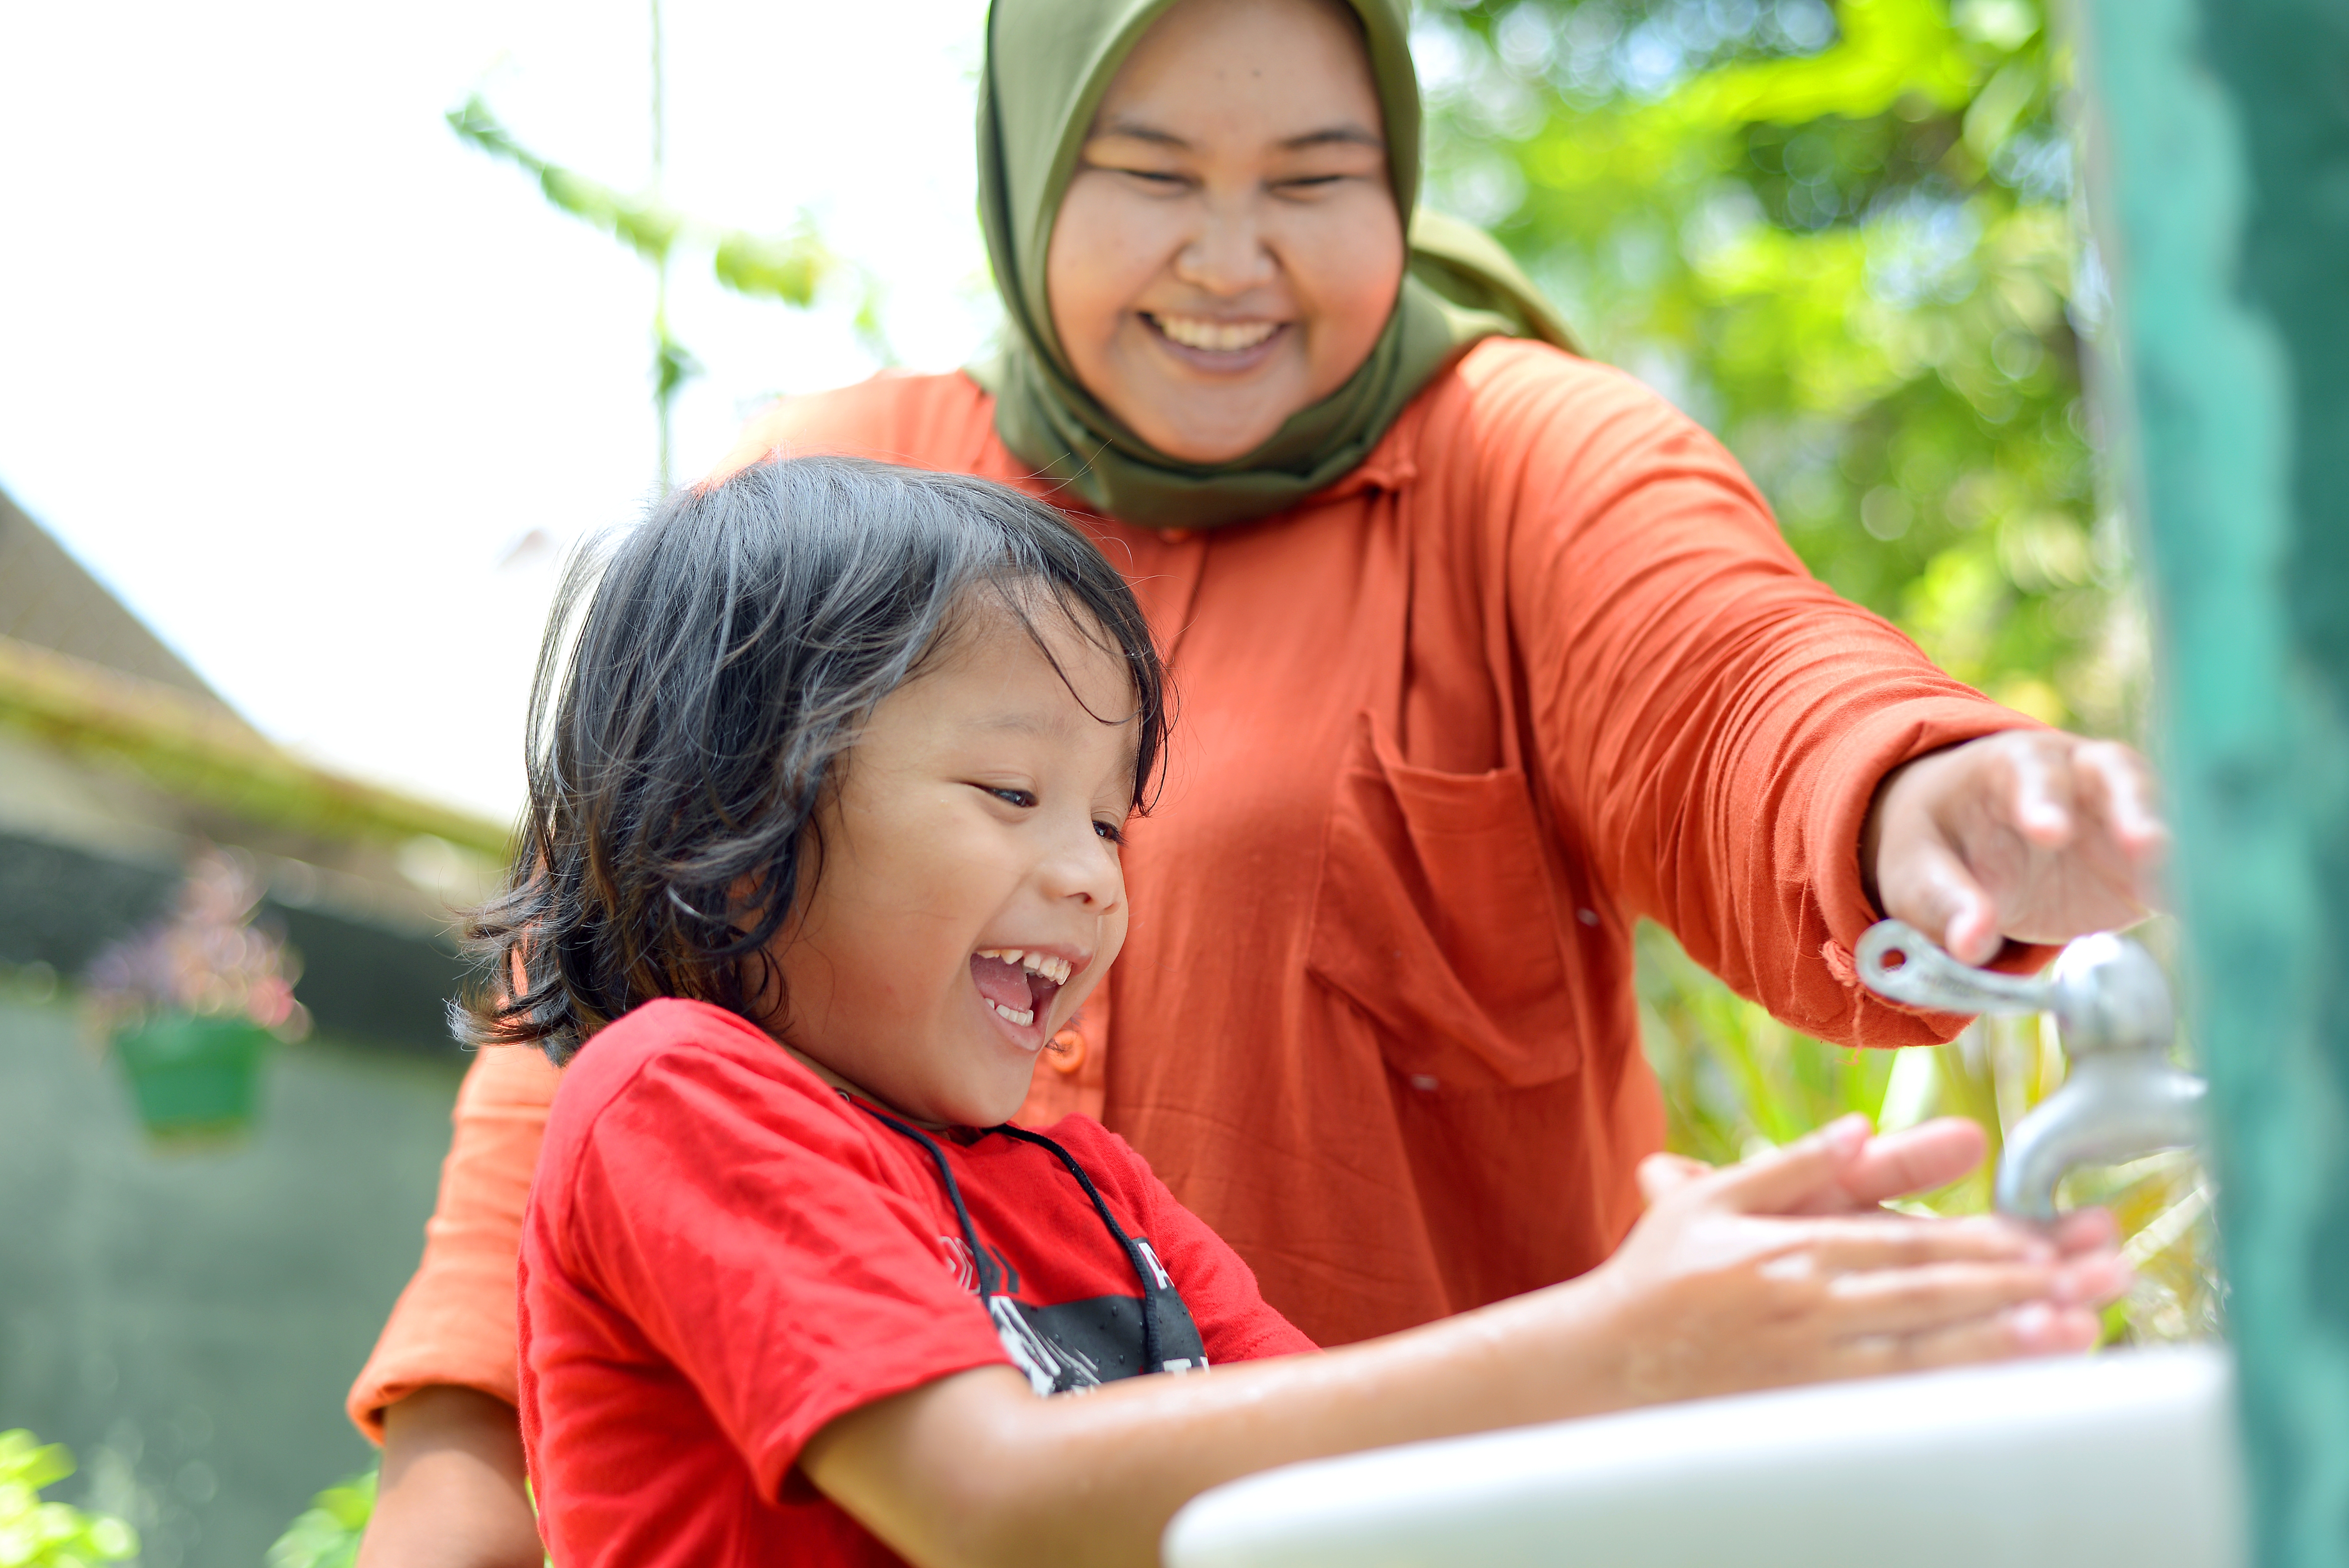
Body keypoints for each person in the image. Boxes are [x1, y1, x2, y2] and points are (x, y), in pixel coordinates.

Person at [350, 0, 2165, 1560]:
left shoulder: (1510, 454)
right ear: (1033, 163)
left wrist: (1918, 792)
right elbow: (589, 1034)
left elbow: (1726, 673)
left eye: (1310, 180)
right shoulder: (823, 514)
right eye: (1150, 174)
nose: (1232, 258)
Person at [502, 455, 2124, 1568]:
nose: (1090, 880)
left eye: (1105, 820)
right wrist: (1612, 1338)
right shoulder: (679, 1092)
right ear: (729, 828)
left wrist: (1712, 1360)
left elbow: (1358, 1497)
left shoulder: (1089, 1189)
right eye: (1011, 792)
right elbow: (986, 1499)